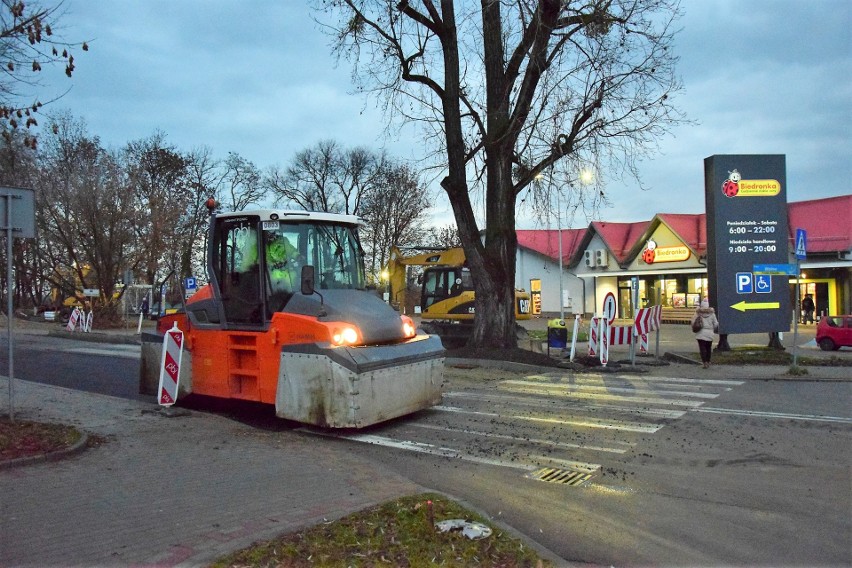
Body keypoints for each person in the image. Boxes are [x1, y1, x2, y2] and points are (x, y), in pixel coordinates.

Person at [692, 299, 719, 369]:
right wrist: (713, 328)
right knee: (708, 348)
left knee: (702, 348)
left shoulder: (697, 313)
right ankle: (708, 361)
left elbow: (693, 322)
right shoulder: (712, 314)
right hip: (710, 333)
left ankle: (705, 362)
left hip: (700, 333)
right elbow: (716, 323)